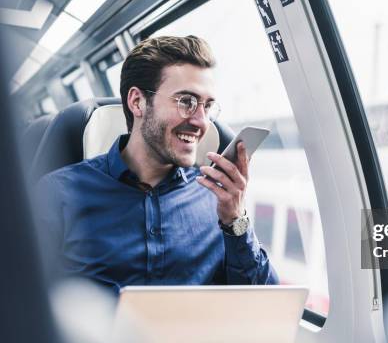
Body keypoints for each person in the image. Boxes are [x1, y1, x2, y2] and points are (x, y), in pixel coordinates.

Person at [36, 35, 278, 291]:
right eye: (187, 102)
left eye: (207, 106)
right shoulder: (57, 194)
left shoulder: (216, 199)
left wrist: (235, 221)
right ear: (137, 102)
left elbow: (265, 303)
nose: (201, 121)